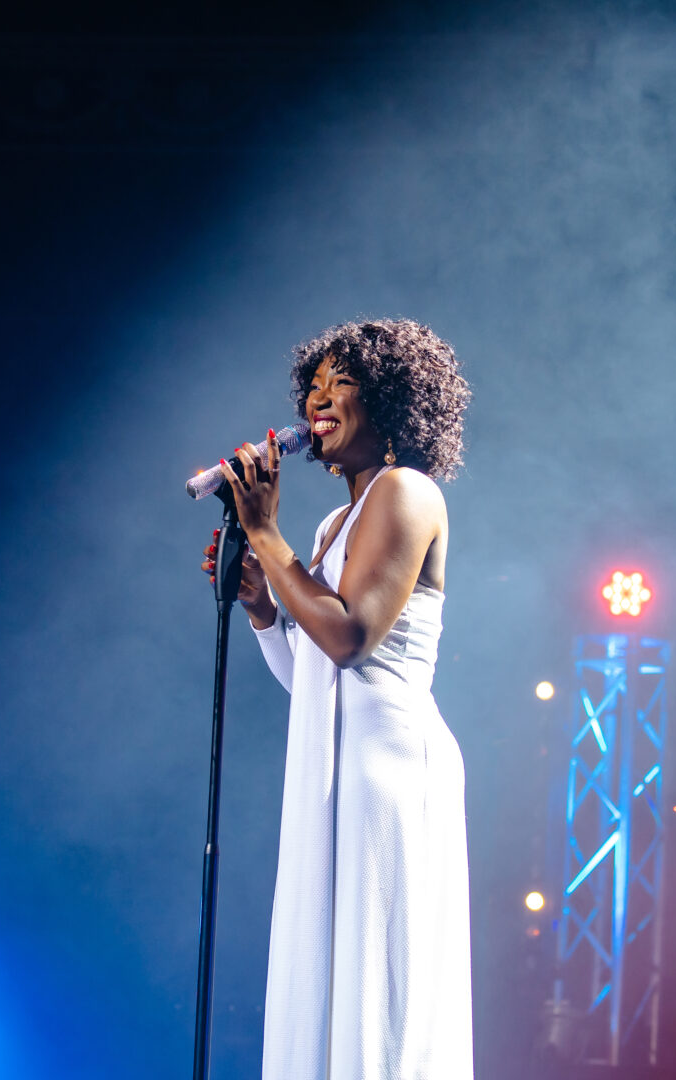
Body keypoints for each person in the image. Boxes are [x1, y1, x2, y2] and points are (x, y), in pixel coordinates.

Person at [201, 319, 473, 1080]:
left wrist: (265, 535)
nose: (318, 399)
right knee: (328, 978)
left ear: (389, 401)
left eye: (340, 382)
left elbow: (351, 637)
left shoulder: (406, 491)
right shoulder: (330, 525)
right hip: (336, 767)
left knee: (375, 984)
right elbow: (316, 679)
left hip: (388, 773)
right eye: (311, 386)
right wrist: (263, 610)